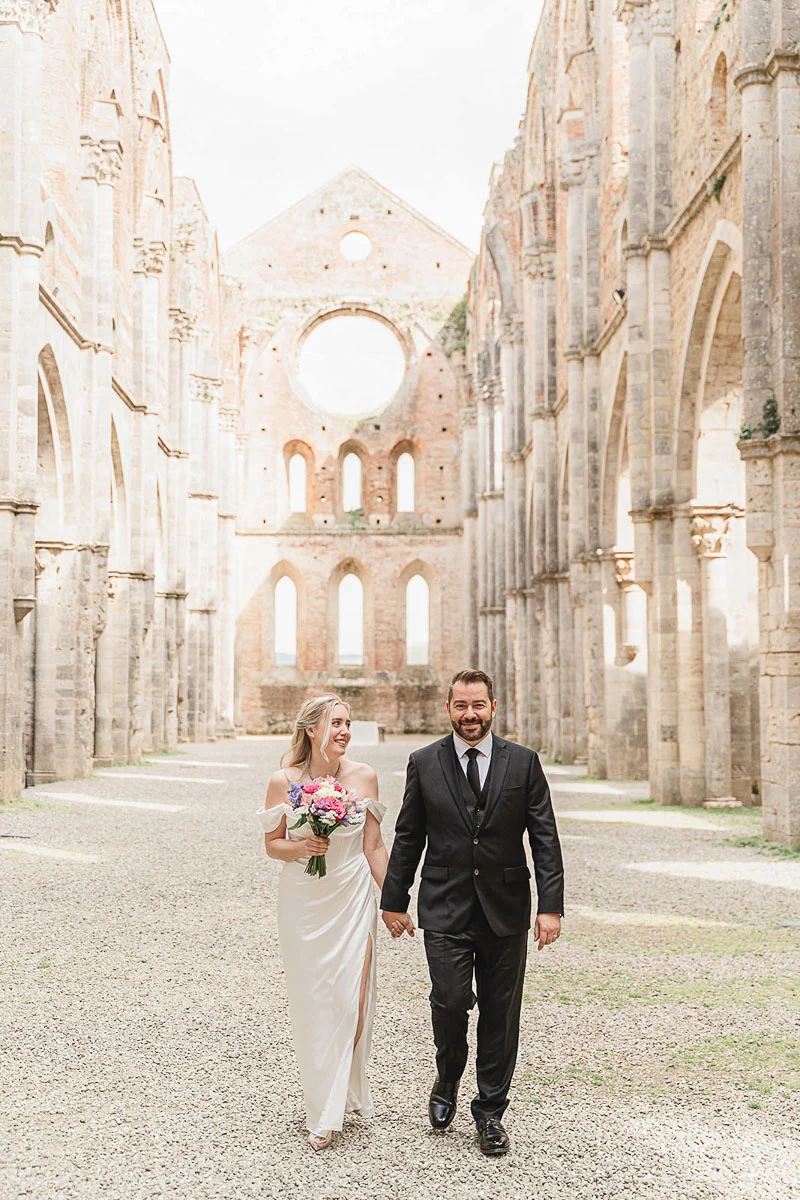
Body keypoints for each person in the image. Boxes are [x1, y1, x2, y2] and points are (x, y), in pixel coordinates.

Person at [380, 668, 564, 1157]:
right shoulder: (424, 761)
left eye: (477, 706)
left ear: (493, 707)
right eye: (461, 706)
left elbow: (544, 837)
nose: (469, 715)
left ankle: (490, 1113)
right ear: (449, 708)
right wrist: (393, 900)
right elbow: (408, 836)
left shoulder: (523, 763)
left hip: (505, 909)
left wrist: (551, 907)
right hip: (444, 906)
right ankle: (447, 1079)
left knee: (501, 1013)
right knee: (450, 999)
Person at [257, 694, 388, 1151]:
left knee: (351, 1003)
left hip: (352, 898)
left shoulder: (364, 776)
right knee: (314, 1004)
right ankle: (323, 1108)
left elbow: (373, 846)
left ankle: (337, 1098)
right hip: (304, 903)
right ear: (311, 729)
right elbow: (273, 845)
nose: (344, 731)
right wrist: (303, 847)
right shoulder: (284, 780)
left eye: (348, 723)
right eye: (335, 723)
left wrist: (394, 900)